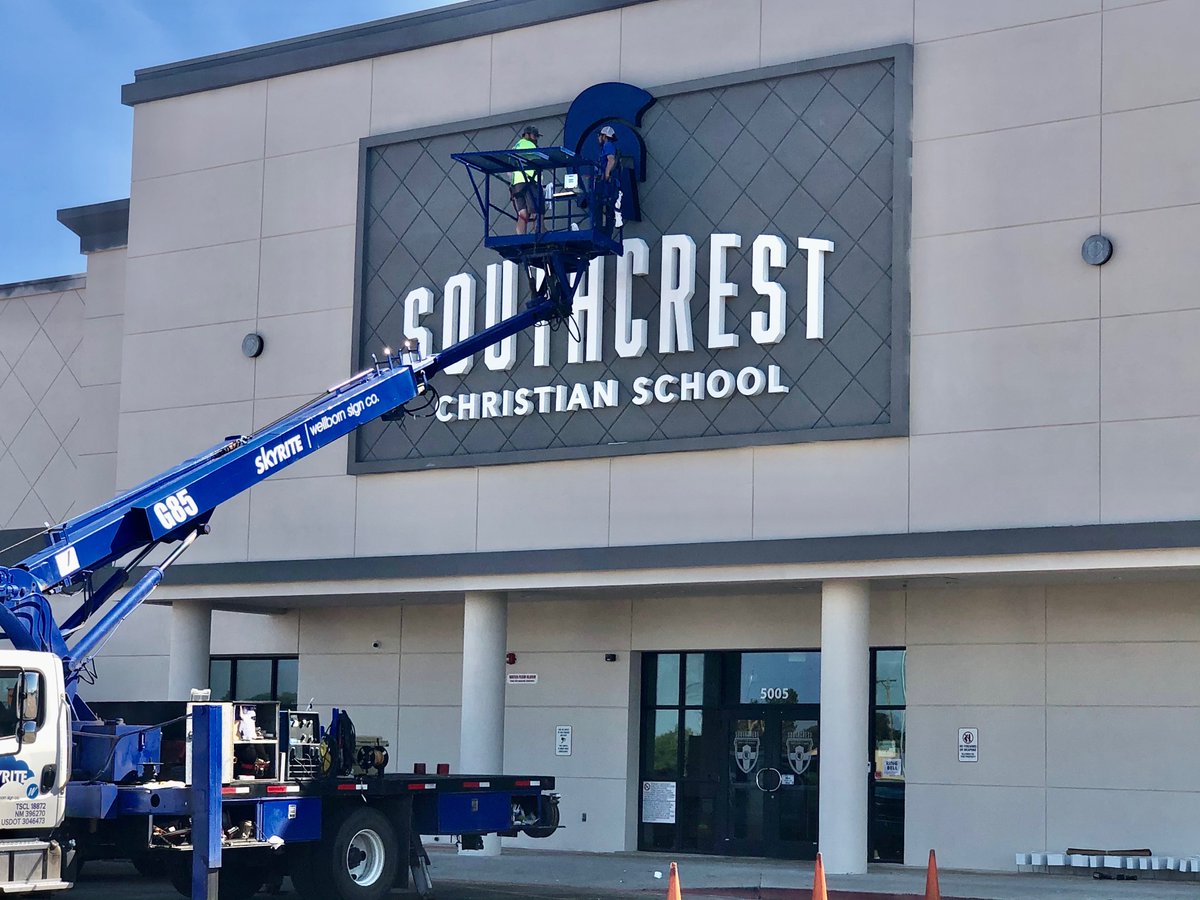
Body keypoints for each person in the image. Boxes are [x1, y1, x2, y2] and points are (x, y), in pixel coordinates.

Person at [510, 124, 540, 235]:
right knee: (536, 209)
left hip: (516, 184)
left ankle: (520, 235)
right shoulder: (530, 145)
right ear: (527, 135)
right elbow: (540, 160)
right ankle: (540, 233)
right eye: (534, 136)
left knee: (522, 213)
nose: (536, 138)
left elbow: (509, 170)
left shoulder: (516, 146)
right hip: (529, 182)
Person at [596, 125, 620, 235]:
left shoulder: (608, 145)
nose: (598, 138)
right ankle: (605, 231)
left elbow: (611, 160)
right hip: (609, 181)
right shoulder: (607, 146)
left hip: (608, 182)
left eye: (600, 135)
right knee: (606, 206)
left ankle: (603, 231)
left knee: (604, 205)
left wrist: (606, 175)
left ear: (604, 136)